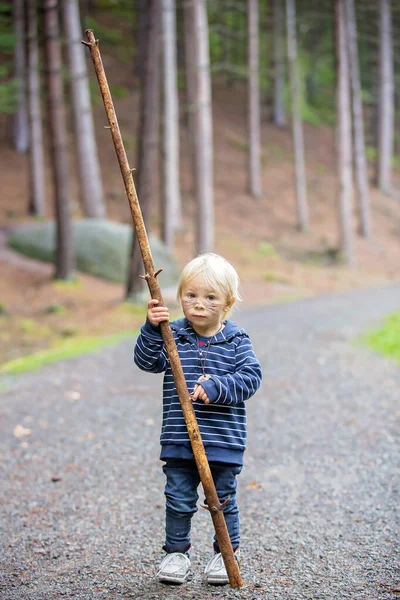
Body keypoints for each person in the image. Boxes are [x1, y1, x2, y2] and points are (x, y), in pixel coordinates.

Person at [134, 253, 262, 585]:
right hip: (179, 438)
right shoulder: (171, 333)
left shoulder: (236, 340)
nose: (199, 304)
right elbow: (147, 362)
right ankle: (176, 554)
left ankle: (225, 555)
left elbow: (251, 378)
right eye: (191, 295)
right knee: (178, 498)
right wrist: (151, 328)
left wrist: (218, 387)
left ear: (228, 303)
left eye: (210, 297)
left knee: (222, 501)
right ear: (180, 297)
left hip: (222, 441)